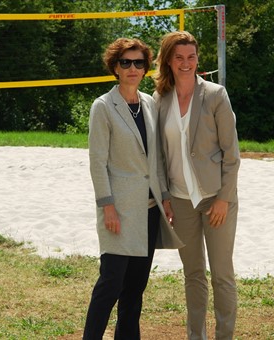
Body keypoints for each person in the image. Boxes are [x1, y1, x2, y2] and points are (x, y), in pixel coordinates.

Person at [83, 37, 184, 340]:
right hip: (120, 211)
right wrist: (107, 206)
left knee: (135, 290)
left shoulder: (150, 103)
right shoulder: (103, 106)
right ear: (115, 67)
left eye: (138, 62)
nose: (132, 68)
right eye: (125, 62)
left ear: (145, 68)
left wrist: (165, 198)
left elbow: (156, 159)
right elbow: (97, 162)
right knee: (110, 285)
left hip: (149, 211)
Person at [153, 31, 241, 340]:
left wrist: (224, 199)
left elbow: (232, 154)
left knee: (221, 274)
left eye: (191, 56)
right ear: (169, 61)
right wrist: (164, 197)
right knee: (193, 275)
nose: (186, 63)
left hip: (216, 199)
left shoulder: (216, 95)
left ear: (198, 59)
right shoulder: (160, 99)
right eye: (179, 57)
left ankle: (224, 336)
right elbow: (159, 158)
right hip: (180, 201)